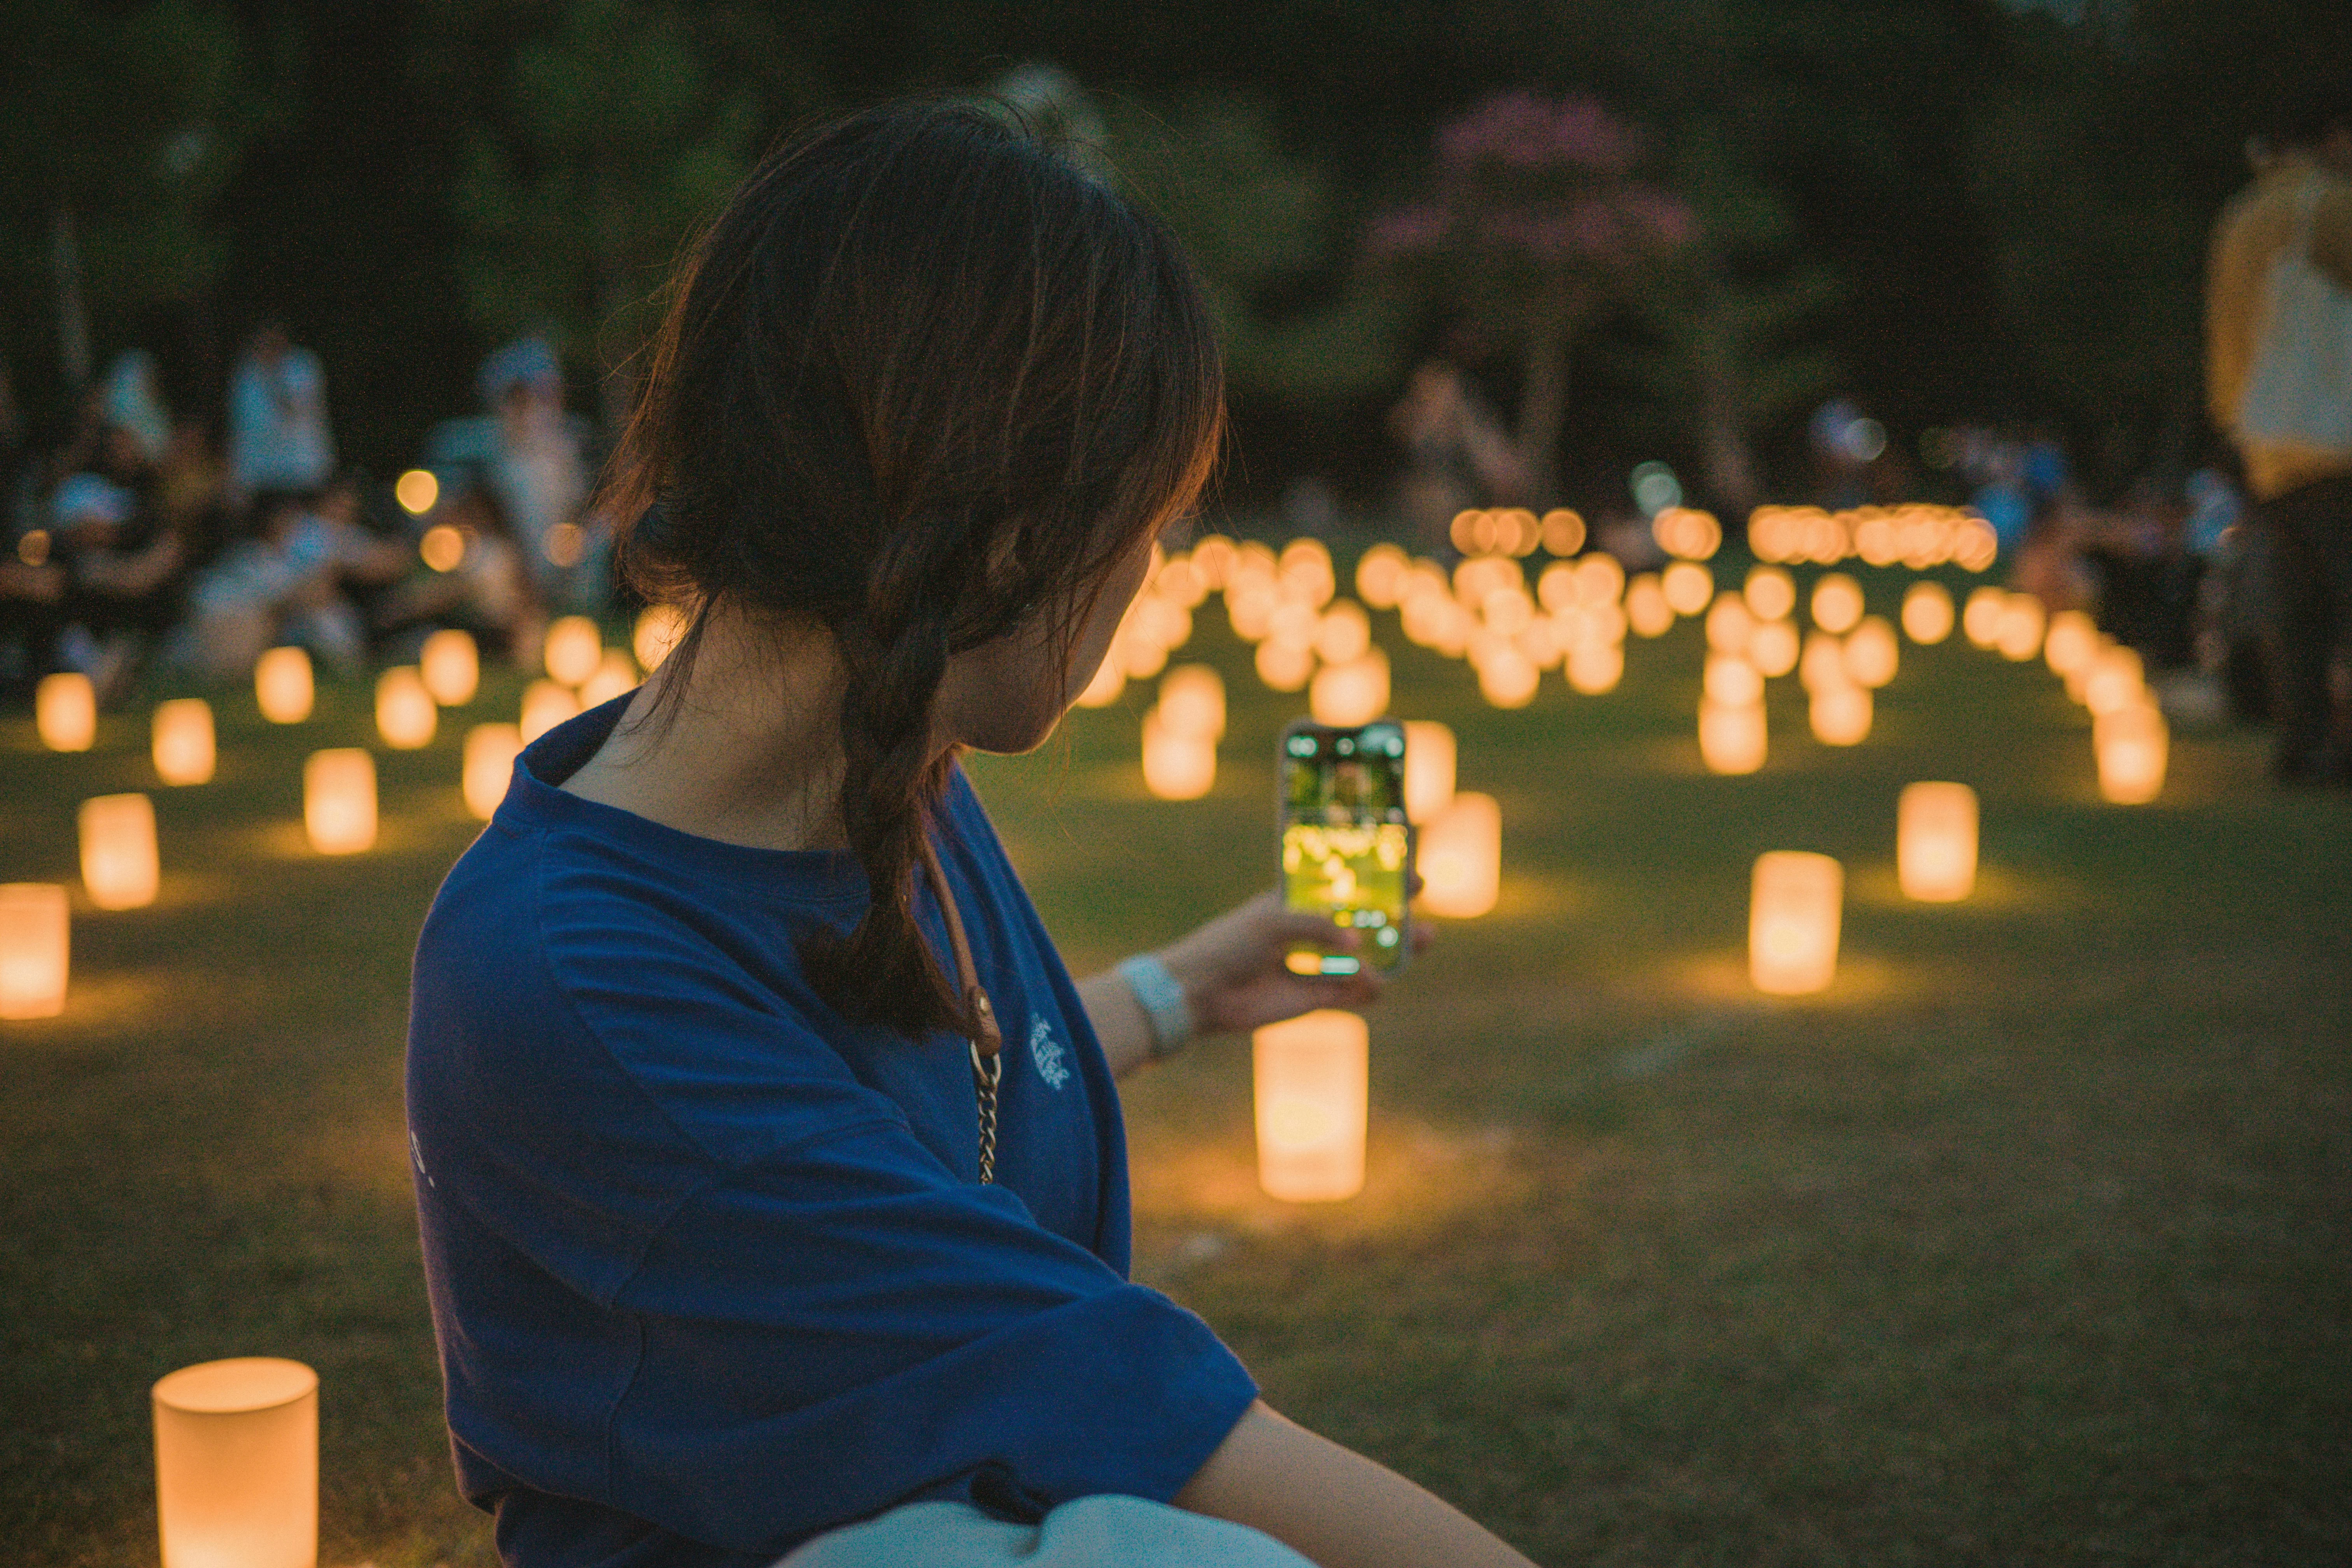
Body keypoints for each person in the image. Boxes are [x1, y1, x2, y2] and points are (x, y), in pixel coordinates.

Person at [407, 104, 1537, 1568]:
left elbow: (886, 1141)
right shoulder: (574, 983)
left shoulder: (897, 761)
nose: (1159, 567)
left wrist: (1176, 991)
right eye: (1158, 514)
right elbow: (1127, 1409)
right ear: (1013, 544)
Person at [2207, 81, 2352, 784]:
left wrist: (2238, 428)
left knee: (2294, 606)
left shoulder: (2240, 219)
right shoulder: (2331, 207)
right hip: (2337, 442)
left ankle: (2302, 744)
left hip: (2268, 446)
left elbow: (2225, 341)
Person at [226, 323, 336, 510]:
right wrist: (236, 474)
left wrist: (272, 374)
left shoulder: (303, 367)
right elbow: (239, 428)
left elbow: (295, 409)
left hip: (302, 469)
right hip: (260, 473)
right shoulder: (246, 374)